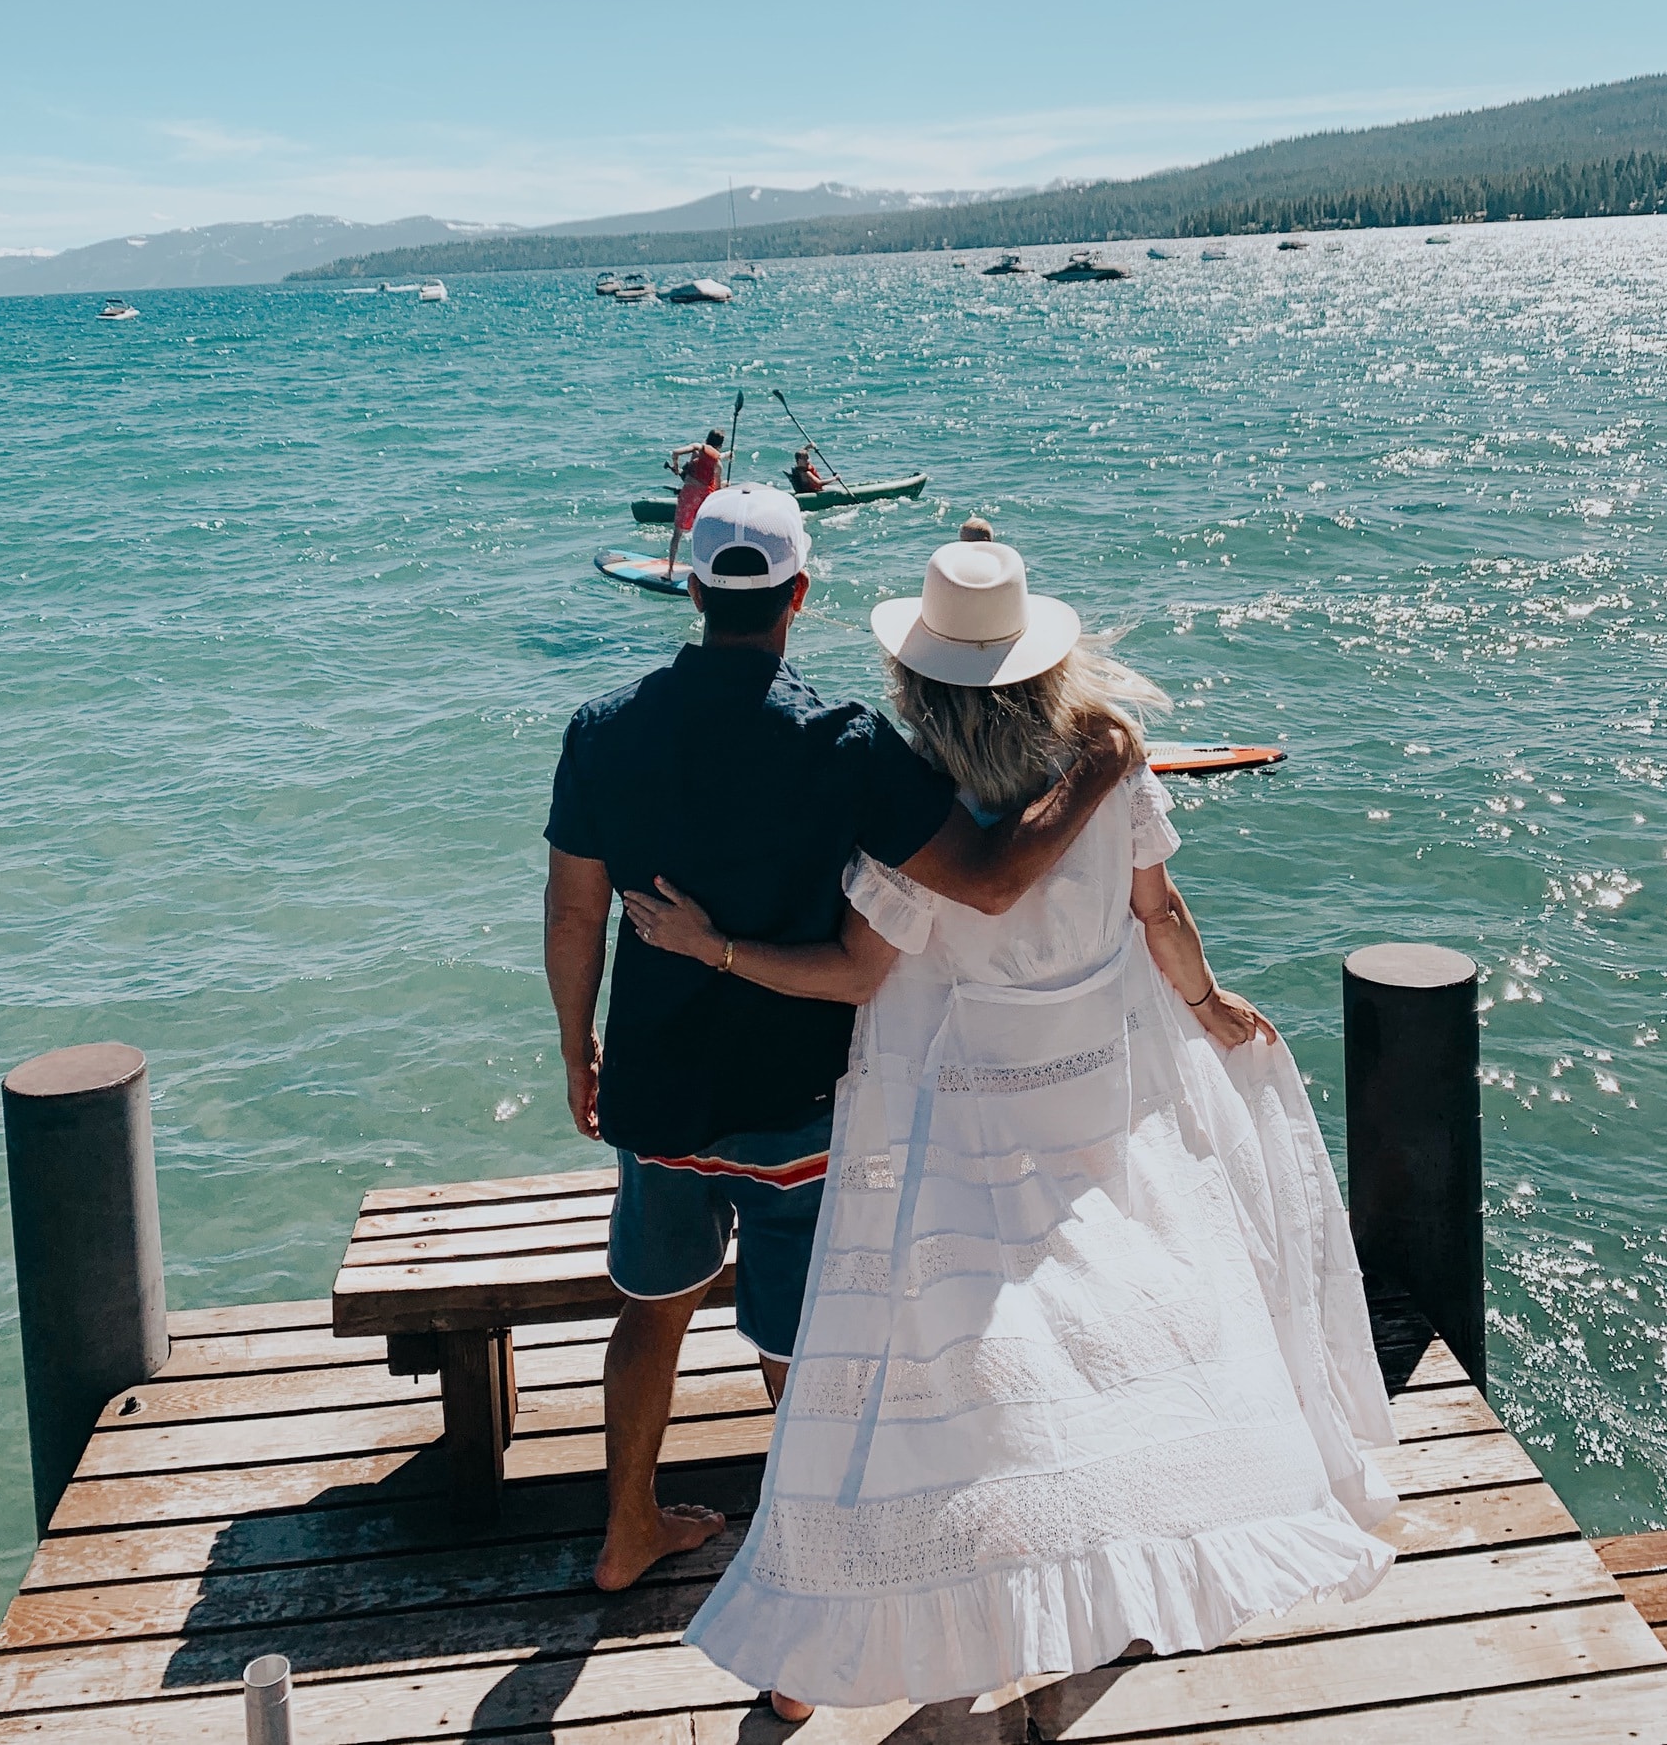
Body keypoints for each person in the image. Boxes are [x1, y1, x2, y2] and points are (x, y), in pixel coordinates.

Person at [624, 537, 1397, 1716]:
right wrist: (1207, 1004)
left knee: (928, 1381)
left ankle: (829, 1645)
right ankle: (1121, 1575)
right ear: (1043, 671)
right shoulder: (1109, 777)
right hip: (1091, 1110)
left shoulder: (911, 820)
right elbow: (1160, 911)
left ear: (914, 685)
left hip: (949, 1130)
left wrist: (711, 948)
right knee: (1109, 1349)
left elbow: (849, 975)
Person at [542, 489, 1138, 1598]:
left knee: (650, 1308)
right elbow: (996, 881)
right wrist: (1102, 764)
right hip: (794, 1101)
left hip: (658, 1090)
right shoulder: (845, 741)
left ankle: (625, 1531)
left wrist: (577, 1046)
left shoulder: (602, 729)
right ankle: (805, 1573)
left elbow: (573, 911)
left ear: (691, 586)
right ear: (797, 595)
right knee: (795, 1343)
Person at [665, 427, 726, 577]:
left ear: (707, 440)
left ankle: (669, 570)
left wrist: (676, 467)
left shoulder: (696, 448)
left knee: (677, 533)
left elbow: (675, 452)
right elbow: (717, 491)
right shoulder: (718, 465)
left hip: (688, 495)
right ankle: (706, 570)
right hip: (704, 497)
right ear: (719, 446)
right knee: (702, 533)